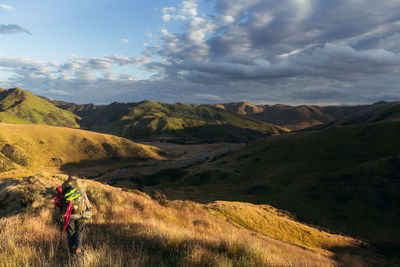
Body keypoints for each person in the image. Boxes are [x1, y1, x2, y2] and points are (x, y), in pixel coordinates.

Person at [56, 174, 92, 257]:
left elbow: (60, 198)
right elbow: (85, 197)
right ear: (76, 177)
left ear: (69, 178)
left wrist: (61, 212)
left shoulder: (65, 184)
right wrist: (88, 207)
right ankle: (78, 248)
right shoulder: (80, 184)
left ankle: (73, 253)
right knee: (79, 231)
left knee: (70, 233)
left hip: (69, 214)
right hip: (81, 213)